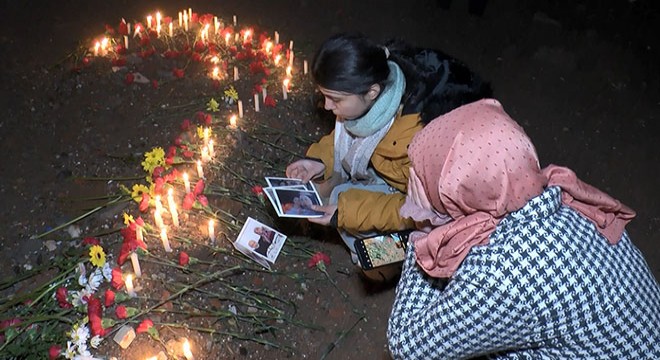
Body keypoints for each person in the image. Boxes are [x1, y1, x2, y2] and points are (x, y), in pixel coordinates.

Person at [387, 99, 660, 358]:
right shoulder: (554, 195)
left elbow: (406, 345)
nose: (414, 186)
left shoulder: (497, 276)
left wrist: (425, 231)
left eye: (423, 179)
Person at [285, 32, 492, 266]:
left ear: (372, 92)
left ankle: (395, 266)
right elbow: (351, 136)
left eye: (335, 99)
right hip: (403, 185)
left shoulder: (417, 139)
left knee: (371, 253)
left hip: (436, 219)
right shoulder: (385, 87)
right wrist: (319, 161)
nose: (327, 106)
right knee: (336, 195)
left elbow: (417, 211)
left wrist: (345, 214)